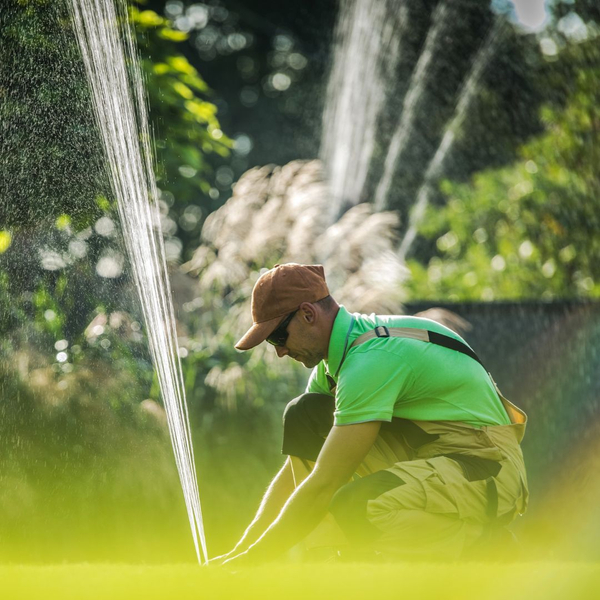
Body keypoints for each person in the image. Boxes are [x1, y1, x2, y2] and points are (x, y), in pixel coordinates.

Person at [214, 263, 528, 566]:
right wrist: (241, 551)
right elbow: (299, 470)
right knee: (305, 414)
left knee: (359, 507)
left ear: (308, 314)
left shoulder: (371, 360)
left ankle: (484, 544)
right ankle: (331, 562)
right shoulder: (339, 360)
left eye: (277, 338)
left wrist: (255, 560)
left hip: (486, 467)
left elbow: (324, 482)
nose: (279, 351)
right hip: (434, 455)